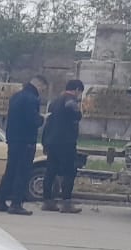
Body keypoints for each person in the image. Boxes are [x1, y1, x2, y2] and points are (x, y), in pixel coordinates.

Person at [0, 75, 47, 215]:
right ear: (38, 85)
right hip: (26, 140)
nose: (42, 91)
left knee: (10, 170)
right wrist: (42, 119)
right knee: (22, 172)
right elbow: (32, 120)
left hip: (13, 139)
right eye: (42, 88)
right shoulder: (32, 99)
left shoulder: (16, 96)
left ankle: (1, 200)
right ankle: (16, 203)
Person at [41, 78, 85, 213]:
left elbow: (48, 123)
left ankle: (47, 201)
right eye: (80, 92)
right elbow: (78, 116)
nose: (80, 95)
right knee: (69, 172)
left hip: (52, 141)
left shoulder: (53, 102)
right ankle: (66, 202)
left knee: (50, 171)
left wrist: (45, 142)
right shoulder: (71, 101)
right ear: (77, 89)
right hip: (66, 142)